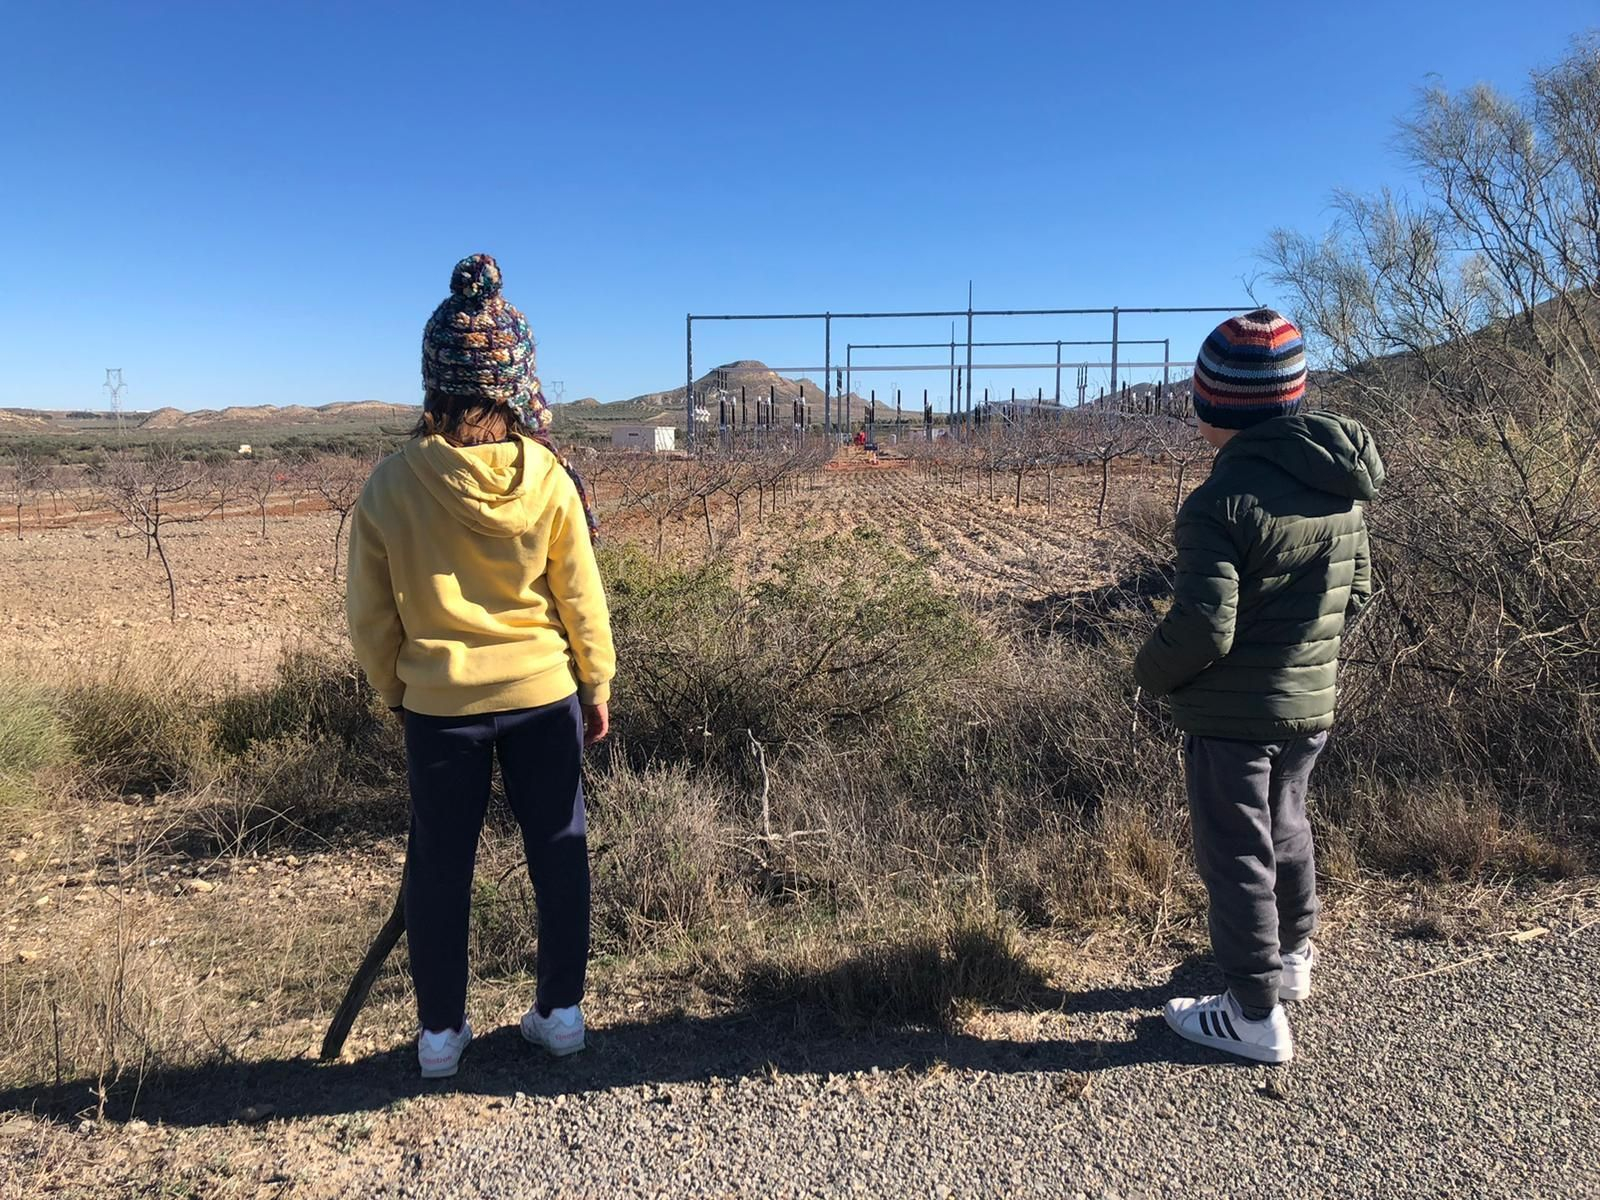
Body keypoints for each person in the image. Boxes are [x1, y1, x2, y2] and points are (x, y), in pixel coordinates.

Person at [346, 253, 615, 1079]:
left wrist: (400, 690)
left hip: (439, 709)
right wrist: (595, 685)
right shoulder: (551, 481)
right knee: (559, 852)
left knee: (441, 867)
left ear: (435, 381)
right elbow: (581, 600)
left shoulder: (390, 485)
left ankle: (439, 1037)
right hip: (543, 699)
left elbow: (371, 617)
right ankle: (561, 1016)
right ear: (517, 384)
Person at [1134, 309, 1383, 1064]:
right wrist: (1301, 649)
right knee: (1287, 826)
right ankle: (1292, 960)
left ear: (1212, 406)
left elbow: (1205, 629)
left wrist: (1147, 673)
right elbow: (1359, 591)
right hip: (1310, 704)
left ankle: (1251, 1012)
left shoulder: (1219, 502)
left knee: (1235, 852)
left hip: (1232, 718)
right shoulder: (1337, 486)